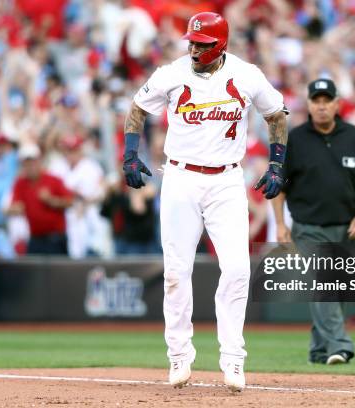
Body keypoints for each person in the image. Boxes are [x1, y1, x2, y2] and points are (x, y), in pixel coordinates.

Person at [123, 12, 288, 391]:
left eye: (203, 43)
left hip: (228, 180)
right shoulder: (171, 73)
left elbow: (277, 116)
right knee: (175, 272)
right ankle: (179, 356)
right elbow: (136, 110)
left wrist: (278, 164)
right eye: (192, 42)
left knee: (237, 269)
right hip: (180, 177)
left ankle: (232, 359)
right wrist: (131, 155)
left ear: (222, 45)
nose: (195, 48)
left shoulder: (247, 75)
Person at [273, 78, 355, 365]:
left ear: (336, 104)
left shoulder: (353, 135)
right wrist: (280, 225)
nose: (321, 107)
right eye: (316, 101)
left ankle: (319, 349)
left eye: (326, 101)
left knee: (338, 289)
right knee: (325, 283)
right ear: (308, 104)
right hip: (308, 227)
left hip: (347, 226)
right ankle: (340, 345)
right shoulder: (295, 138)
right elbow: (278, 185)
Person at [8, 144, 74, 255]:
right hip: (35, 237)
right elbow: (14, 206)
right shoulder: (20, 183)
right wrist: (15, 209)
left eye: (33, 162)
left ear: (39, 161)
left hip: (55, 237)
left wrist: (51, 201)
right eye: (27, 163)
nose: (30, 166)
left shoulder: (53, 180)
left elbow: (70, 202)